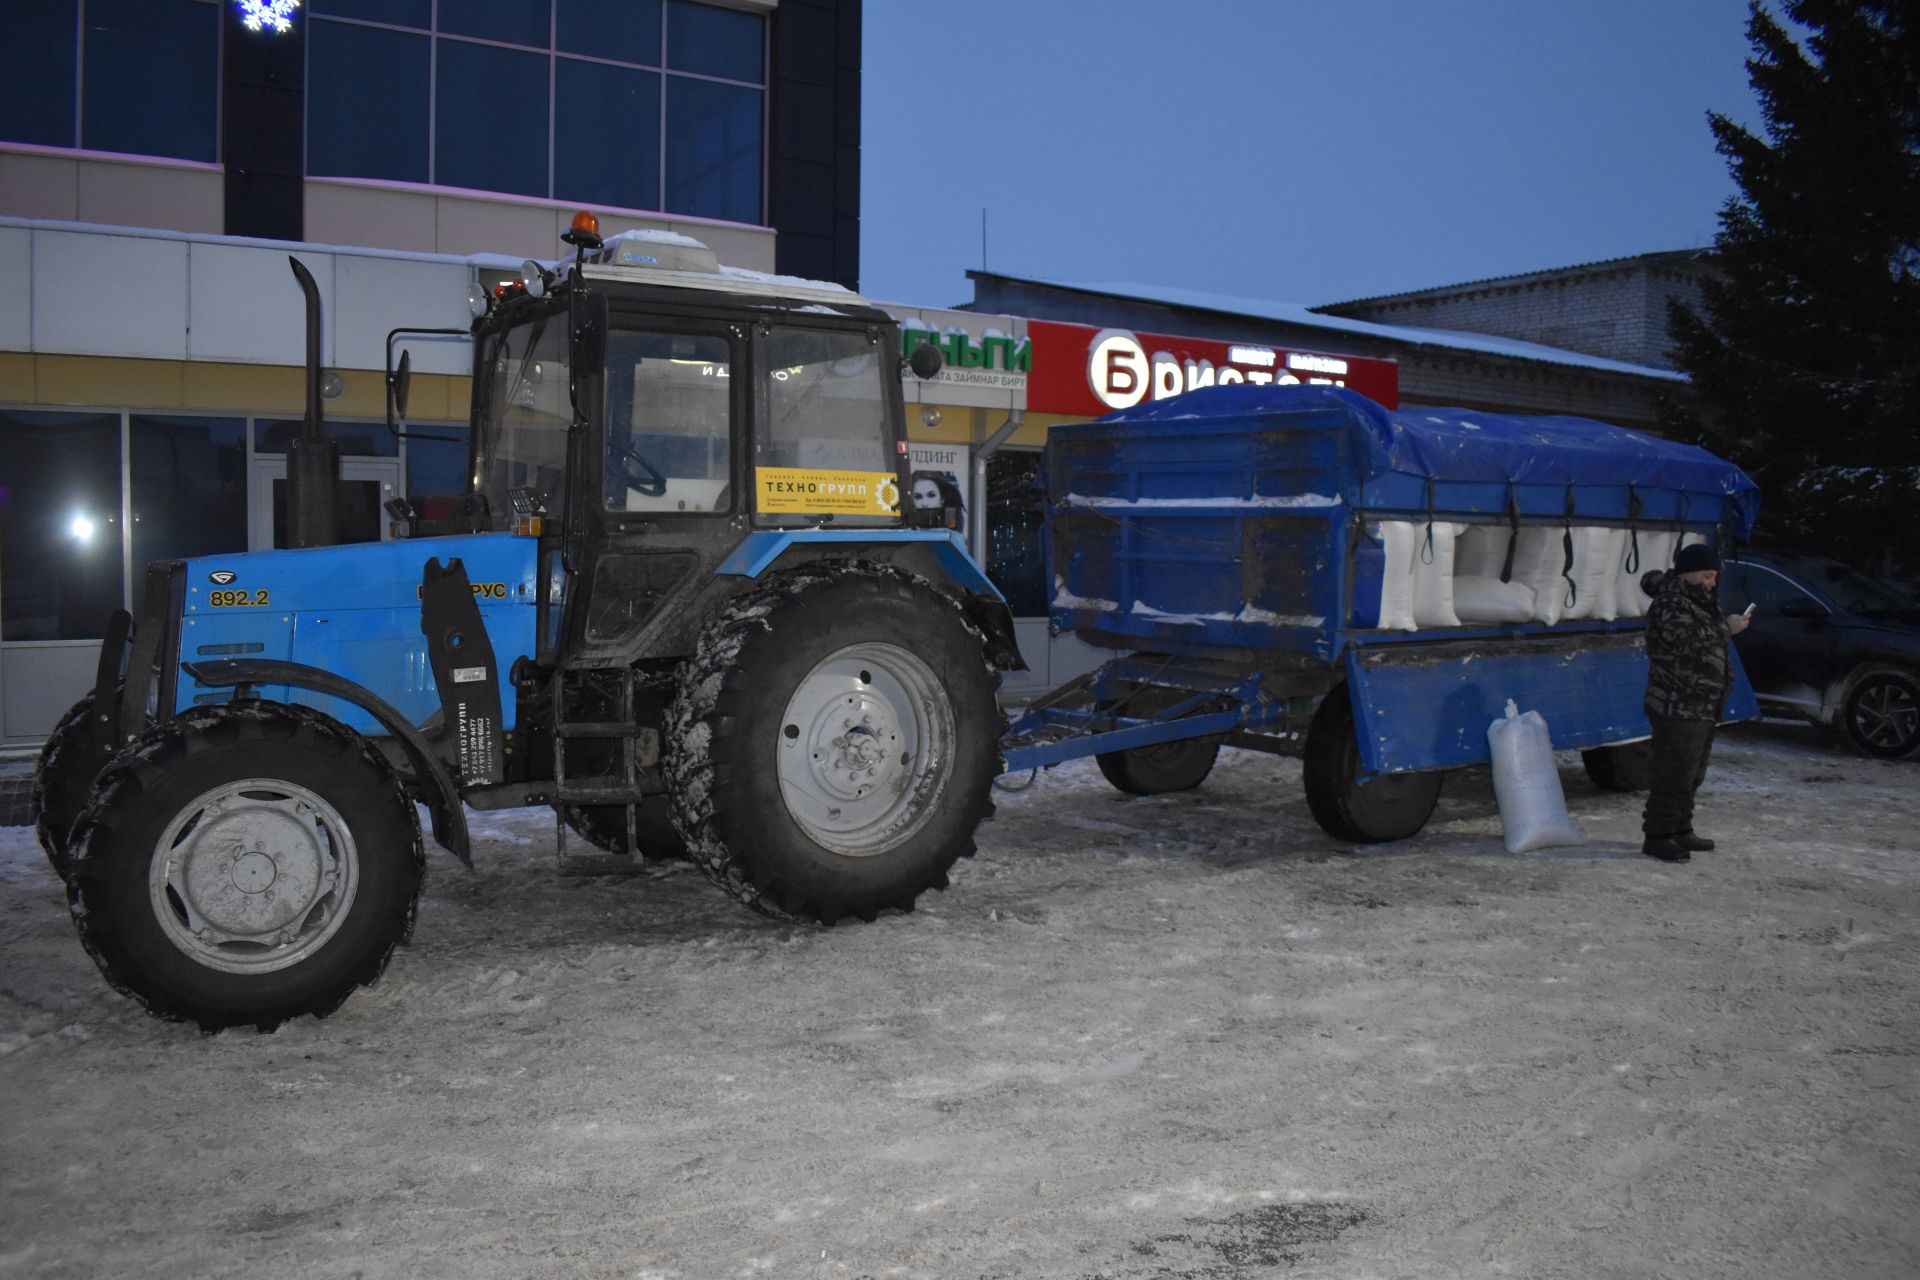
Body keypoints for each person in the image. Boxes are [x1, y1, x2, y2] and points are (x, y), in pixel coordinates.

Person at [1638, 542, 1751, 862]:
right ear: (1688, 574)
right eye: (1707, 575)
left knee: (1692, 773)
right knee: (1672, 772)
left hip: (1701, 703)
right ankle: (1658, 835)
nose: (1712, 583)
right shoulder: (1671, 603)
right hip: (1678, 704)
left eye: (1714, 576)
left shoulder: (1697, 601)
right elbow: (1685, 642)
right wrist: (1725, 628)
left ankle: (1681, 829)